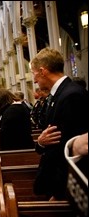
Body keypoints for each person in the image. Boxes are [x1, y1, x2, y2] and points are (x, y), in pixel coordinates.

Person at [30, 47, 88, 201]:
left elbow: (70, 149)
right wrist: (41, 143)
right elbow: (51, 137)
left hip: (64, 188)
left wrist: (60, 192)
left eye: (34, 73)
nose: (34, 80)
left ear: (43, 71)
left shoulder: (71, 95)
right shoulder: (59, 95)